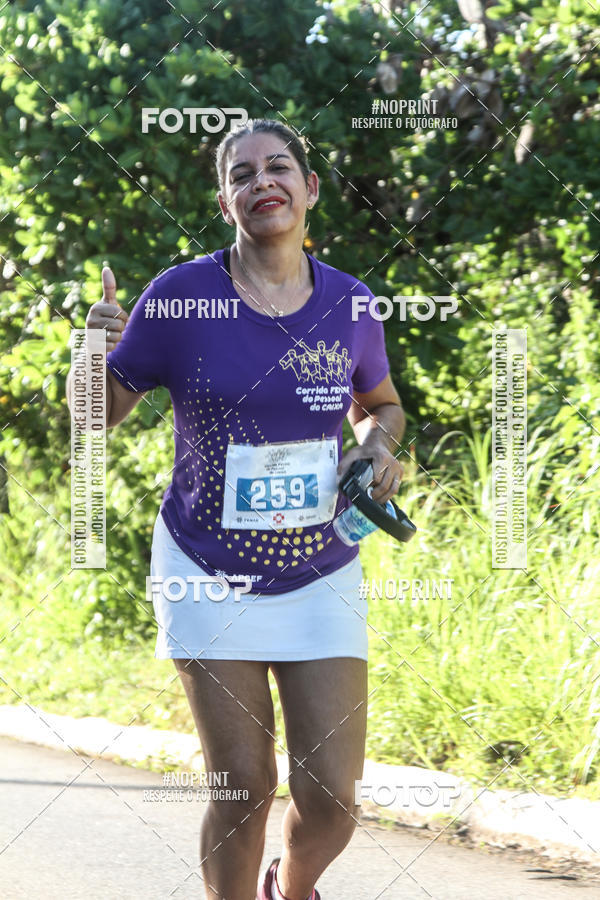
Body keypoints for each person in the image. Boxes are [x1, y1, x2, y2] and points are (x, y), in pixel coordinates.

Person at [67, 118, 405, 900]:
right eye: (243, 175)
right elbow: (95, 416)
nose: (264, 182)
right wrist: (91, 348)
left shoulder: (351, 305)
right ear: (226, 203)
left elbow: (381, 406)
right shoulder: (181, 296)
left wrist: (376, 447)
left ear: (310, 189)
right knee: (241, 784)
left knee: (333, 801)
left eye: (279, 167)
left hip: (319, 569)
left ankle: (289, 886)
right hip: (204, 570)